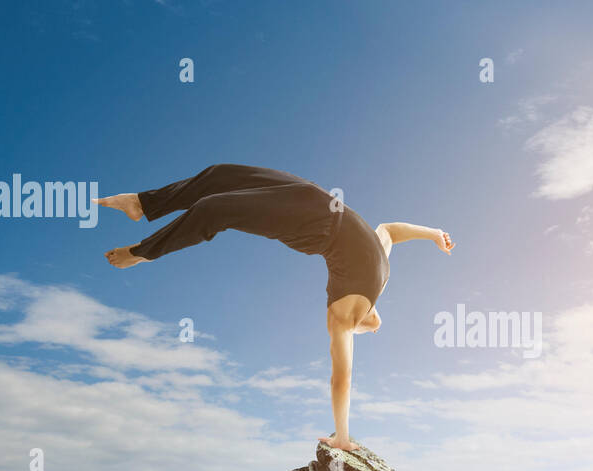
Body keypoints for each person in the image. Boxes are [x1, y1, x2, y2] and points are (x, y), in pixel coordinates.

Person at [96, 163, 454, 451]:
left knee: (216, 204)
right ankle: (144, 204)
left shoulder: (362, 291)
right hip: (313, 206)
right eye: (369, 327)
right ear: (365, 322)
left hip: (314, 212)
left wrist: (432, 234)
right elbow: (341, 378)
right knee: (221, 178)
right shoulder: (353, 308)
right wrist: (342, 436)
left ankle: (142, 251)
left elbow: (390, 229)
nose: (372, 324)